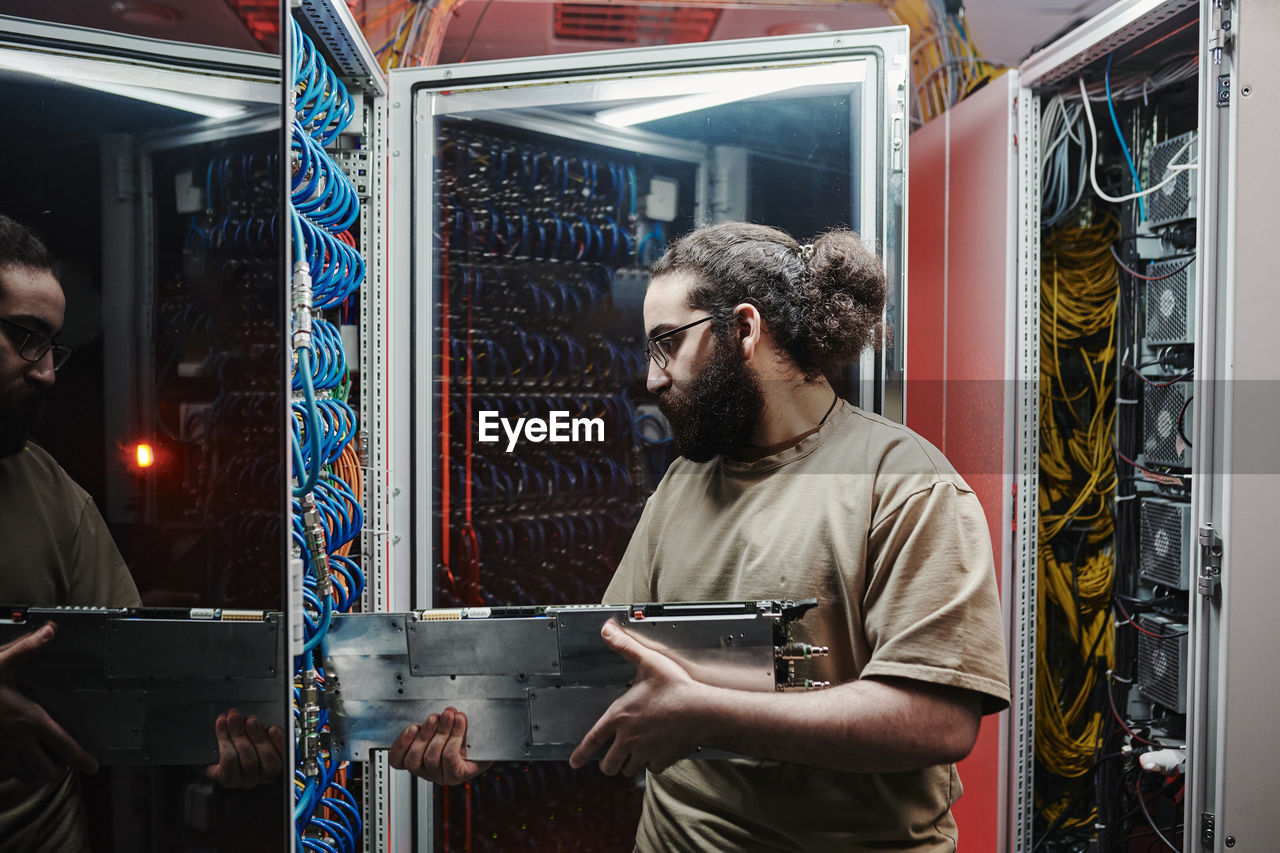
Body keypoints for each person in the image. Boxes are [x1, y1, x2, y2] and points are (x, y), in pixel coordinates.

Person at [393, 222, 1009, 851]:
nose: (653, 378)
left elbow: (937, 719)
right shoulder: (686, 481)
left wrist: (705, 712)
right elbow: (604, 658)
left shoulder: (903, 483)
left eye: (667, 344)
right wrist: (486, 740)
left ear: (744, 330)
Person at [0, 214, 283, 851]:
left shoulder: (49, 493)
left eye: (53, 347)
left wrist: (208, 740)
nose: (46, 372)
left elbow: (133, 679)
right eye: (25, 338)